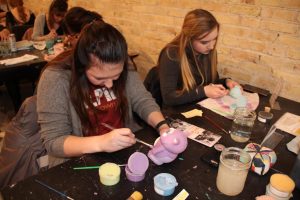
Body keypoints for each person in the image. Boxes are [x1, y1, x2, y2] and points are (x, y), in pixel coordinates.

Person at [37, 21, 169, 167]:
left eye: (116, 76)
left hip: (123, 152)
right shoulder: (55, 78)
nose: (110, 85)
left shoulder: (123, 63)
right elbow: (54, 141)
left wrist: (162, 126)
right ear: (82, 66)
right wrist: (102, 143)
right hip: (80, 161)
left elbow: (142, 100)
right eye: (100, 78)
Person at [158, 9, 240, 106]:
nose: (212, 46)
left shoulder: (209, 52)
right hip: (178, 112)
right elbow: (169, 98)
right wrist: (203, 91)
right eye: (204, 42)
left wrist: (226, 82)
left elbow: (211, 82)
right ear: (189, 38)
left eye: (214, 39)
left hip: (202, 106)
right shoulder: (171, 55)